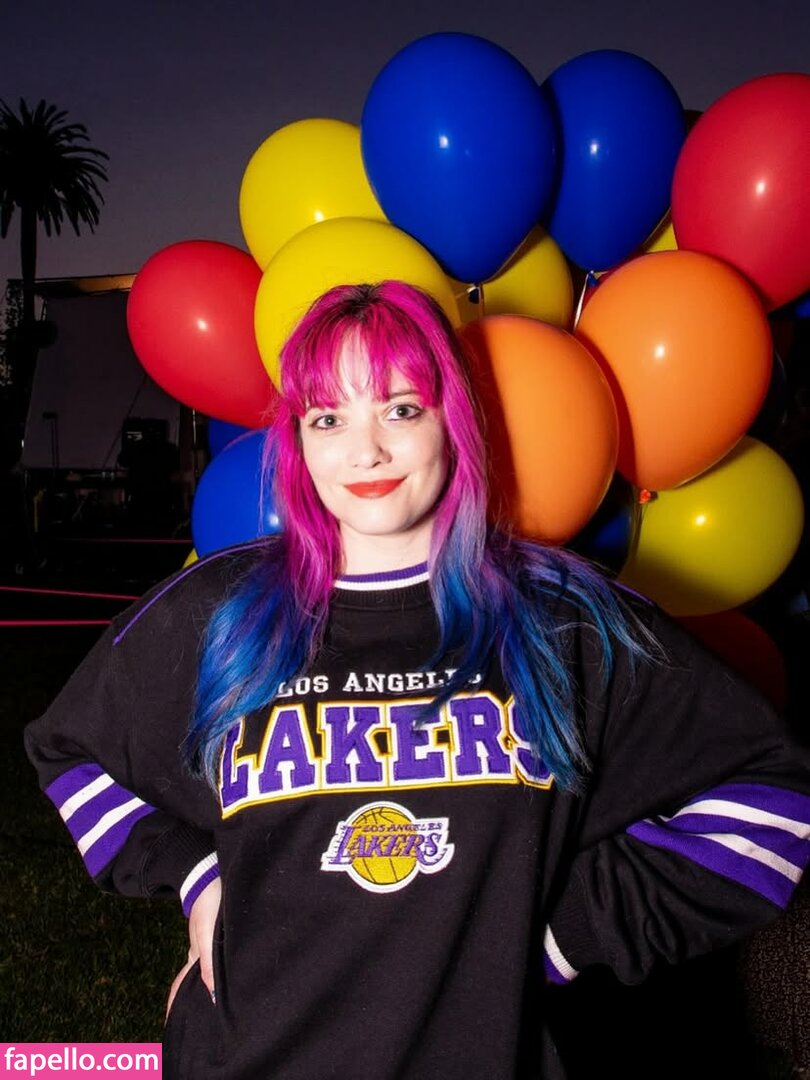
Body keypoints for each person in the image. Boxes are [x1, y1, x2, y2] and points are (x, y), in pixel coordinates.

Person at [25, 282, 810, 1080]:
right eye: (328, 419)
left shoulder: (560, 620)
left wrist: (558, 932)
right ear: (298, 439)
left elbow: (772, 799)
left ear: (453, 420)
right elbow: (69, 752)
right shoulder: (216, 612)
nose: (364, 452)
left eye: (400, 409)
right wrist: (196, 875)